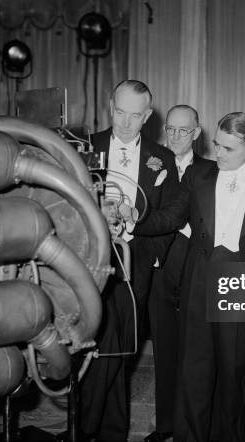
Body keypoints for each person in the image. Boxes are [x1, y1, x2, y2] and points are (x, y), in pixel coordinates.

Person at [168, 112, 245, 441]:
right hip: (200, 279)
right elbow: (172, 216)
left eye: (228, 149)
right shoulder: (198, 174)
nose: (218, 153)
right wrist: (136, 218)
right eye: (217, 145)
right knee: (194, 369)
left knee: (234, 372)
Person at [79, 79, 182, 441]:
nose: (125, 123)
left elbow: (172, 216)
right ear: (111, 107)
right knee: (98, 348)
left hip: (134, 266)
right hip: (89, 264)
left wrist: (150, 255)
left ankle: (103, 428)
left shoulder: (162, 158)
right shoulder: (86, 147)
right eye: (120, 112)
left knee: (122, 351)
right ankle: (93, 428)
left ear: (147, 117)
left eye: (134, 116)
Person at [145, 105, 214, 442]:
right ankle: (165, 426)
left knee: (195, 353)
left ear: (197, 133)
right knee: (164, 349)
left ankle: (192, 426)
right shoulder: (152, 164)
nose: (174, 136)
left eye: (182, 131)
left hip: (195, 268)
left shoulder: (212, 170)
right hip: (159, 267)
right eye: (170, 129)